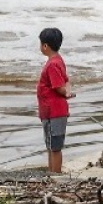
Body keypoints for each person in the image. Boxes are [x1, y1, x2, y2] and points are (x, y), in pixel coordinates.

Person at [37, 27, 75, 173]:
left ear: (45, 46)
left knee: (55, 147)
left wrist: (65, 93)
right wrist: (68, 92)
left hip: (54, 112)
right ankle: (51, 172)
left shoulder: (52, 64)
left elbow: (59, 86)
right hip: (50, 112)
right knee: (51, 145)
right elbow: (66, 81)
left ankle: (56, 175)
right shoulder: (58, 60)